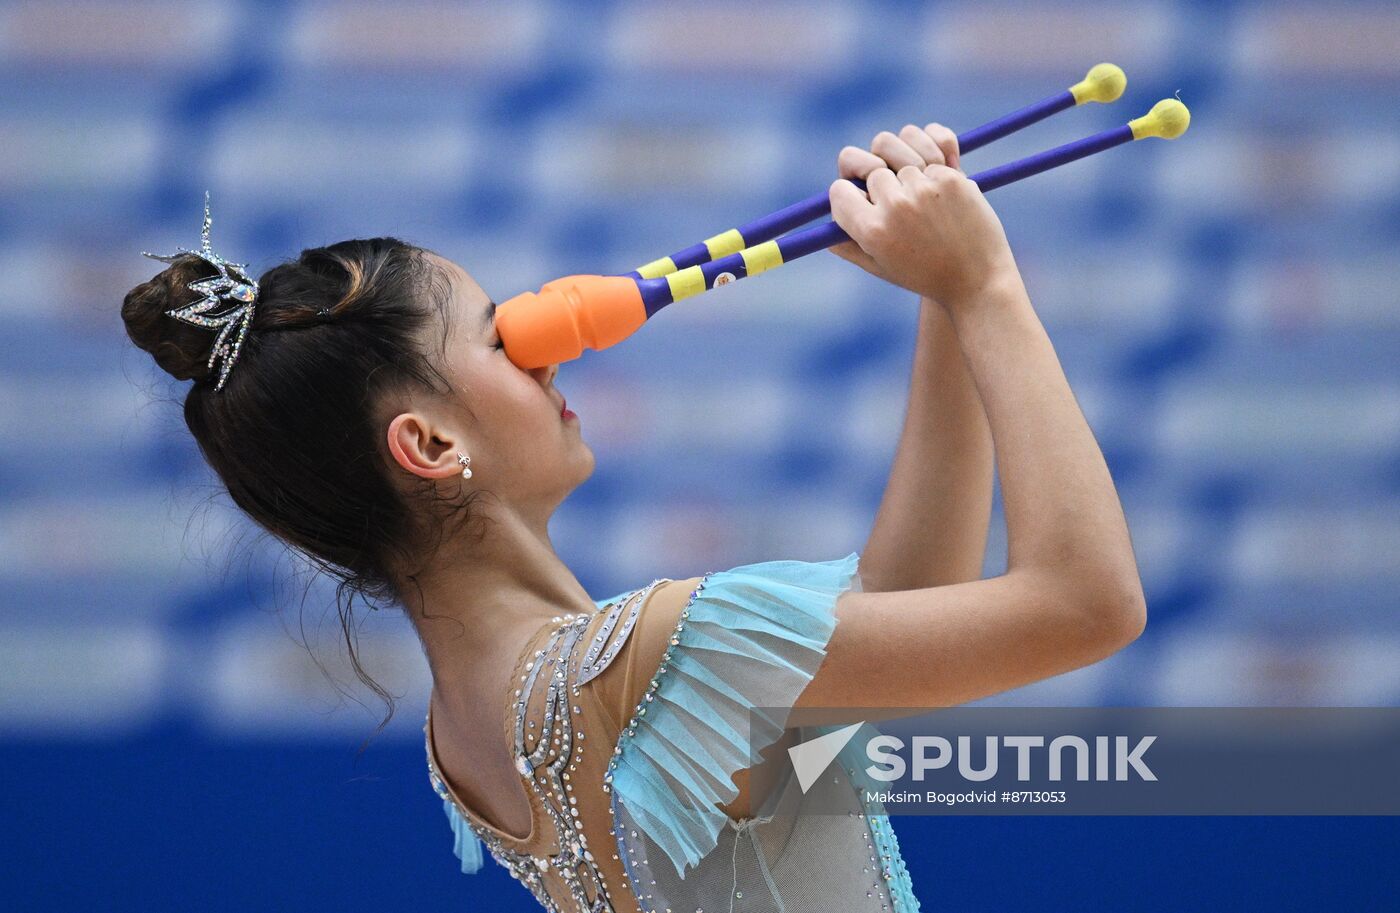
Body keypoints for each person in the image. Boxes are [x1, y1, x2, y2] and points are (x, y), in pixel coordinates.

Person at [120, 122, 1145, 913]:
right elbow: (1085, 603)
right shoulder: (646, 656)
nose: (549, 353)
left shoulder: (471, 720)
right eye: (502, 343)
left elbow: (906, 618)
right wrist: (989, 285)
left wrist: (943, 303)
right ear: (428, 444)